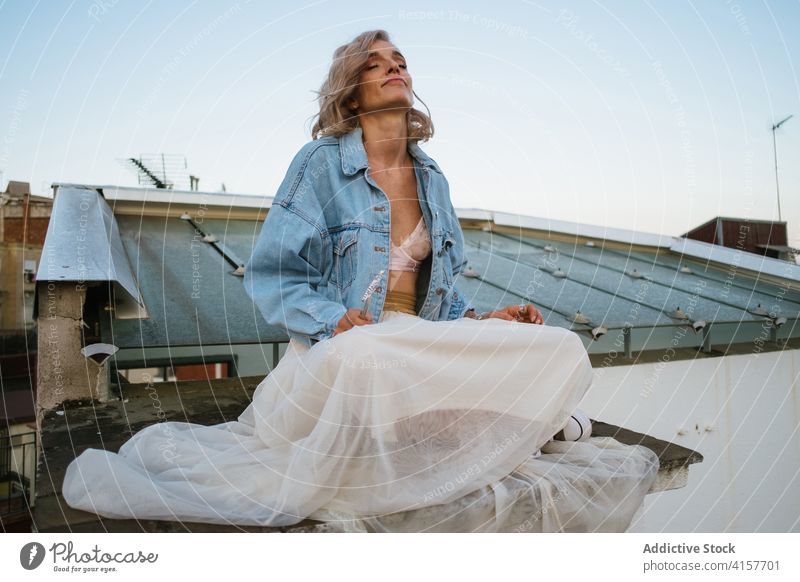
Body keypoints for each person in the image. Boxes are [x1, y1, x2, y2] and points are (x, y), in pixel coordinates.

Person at [61, 30, 658, 532]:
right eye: (375, 64)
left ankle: (529, 419)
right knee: (371, 349)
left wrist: (486, 322)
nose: (393, 67)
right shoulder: (320, 165)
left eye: (398, 61)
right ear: (353, 92)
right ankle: (535, 428)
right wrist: (333, 321)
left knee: (556, 345)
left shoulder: (434, 179)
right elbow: (275, 275)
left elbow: (443, 295)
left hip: (416, 347)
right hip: (347, 353)